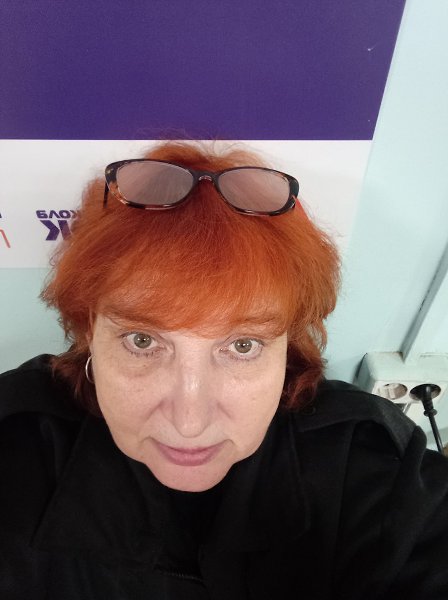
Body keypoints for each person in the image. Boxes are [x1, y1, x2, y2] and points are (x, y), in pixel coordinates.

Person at [1, 141, 447, 600]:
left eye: (242, 345)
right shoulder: (15, 452)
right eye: (143, 341)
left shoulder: (371, 467)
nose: (189, 422)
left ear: (287, 347)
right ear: (90, 330)